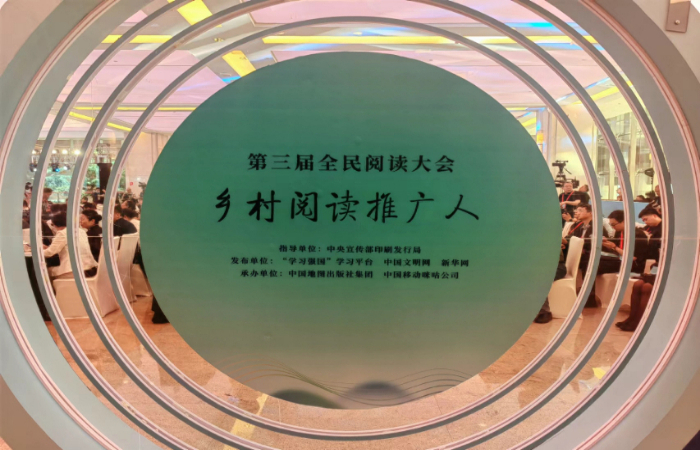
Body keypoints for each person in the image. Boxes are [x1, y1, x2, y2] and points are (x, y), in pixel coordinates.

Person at [42, 212, 97, 279]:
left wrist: (35, 251)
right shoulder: (81, 231)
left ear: (56, 224)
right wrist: (48, 248)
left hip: (71, 270)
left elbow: (49, 253)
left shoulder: (62, 233)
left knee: (43, 271)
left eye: (52, 224)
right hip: (88, 267)